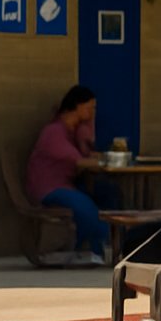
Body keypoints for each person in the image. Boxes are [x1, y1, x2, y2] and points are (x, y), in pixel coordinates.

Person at [25, 85, 108, 265]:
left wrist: (86, 131)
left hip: (67, 184)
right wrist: (109, 162)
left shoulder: (72, 131)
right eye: (89, 107)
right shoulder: (54, 132)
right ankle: (97, 246)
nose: (93, 113)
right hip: (49, 188)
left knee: (109, 192)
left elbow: (86, 153)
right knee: (86, 207)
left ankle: (112, 243)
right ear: (76, 106)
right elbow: (80, 161)